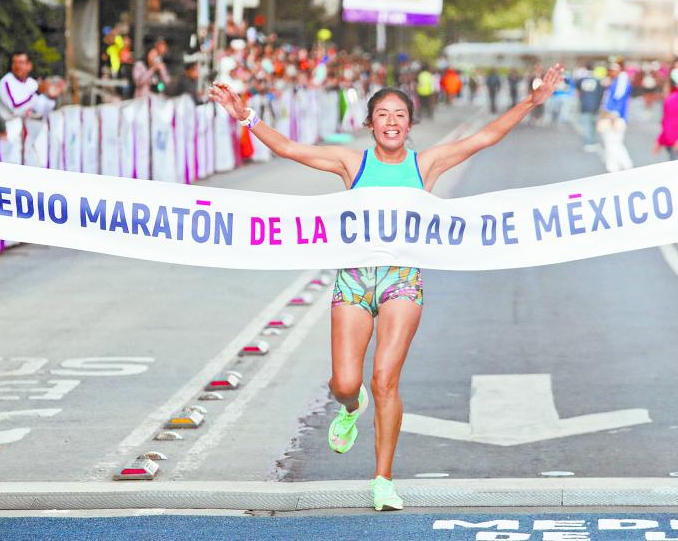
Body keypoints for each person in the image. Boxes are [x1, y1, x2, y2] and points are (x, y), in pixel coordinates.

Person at [209, 63, 564, 512]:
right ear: (370, 123)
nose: (391, 122)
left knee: (385, 380)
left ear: (409, 124)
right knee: (346, 381)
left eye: (399, 115)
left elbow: (485, 137)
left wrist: (531, 102)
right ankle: (348, 407)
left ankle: (382, 479)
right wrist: (246, 117)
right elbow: (290, 150)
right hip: (354, 279)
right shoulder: (351, 163)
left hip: (401, 281)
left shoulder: (426, 164)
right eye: (383, 115)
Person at [0, 51, 64, 120]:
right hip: (6, 128)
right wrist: (37, 92)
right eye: (14, 62)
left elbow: (40, 110)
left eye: (21, 63)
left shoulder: (32, 83)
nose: (17, 66)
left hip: (26, 127)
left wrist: (51, 96)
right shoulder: (6, 82)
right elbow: (15, 109)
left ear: (29, 65)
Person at [576, 63, 605, 152]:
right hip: (595, 105)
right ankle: (592, 141)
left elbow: (578, 91)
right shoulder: (597, 80)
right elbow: (601, 93)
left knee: (586, 125)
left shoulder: (581, 80)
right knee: (593, 125)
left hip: (585, 105)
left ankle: (589, 142)